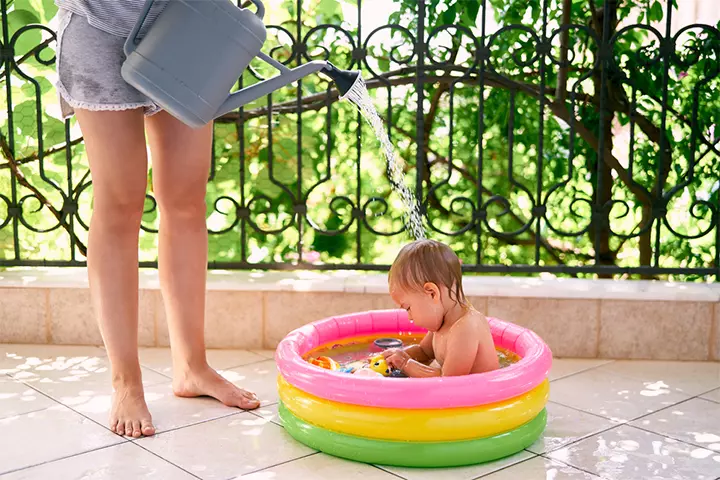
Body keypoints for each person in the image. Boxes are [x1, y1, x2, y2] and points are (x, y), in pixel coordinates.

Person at [53, 1, 260, 439]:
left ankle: (192, 367)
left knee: (186, 201)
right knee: (119, 203)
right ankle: (125, 381)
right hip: (99, 26)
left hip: (187, 20)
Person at [382, 239, 499, 377]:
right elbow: (424, 352)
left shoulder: (466, 327)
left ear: (432, 293)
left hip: (485, 396)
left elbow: (447, 381)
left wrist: (405, 364)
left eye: (408, 308)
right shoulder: (443, 323)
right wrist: (399, 355)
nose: (410, 317)